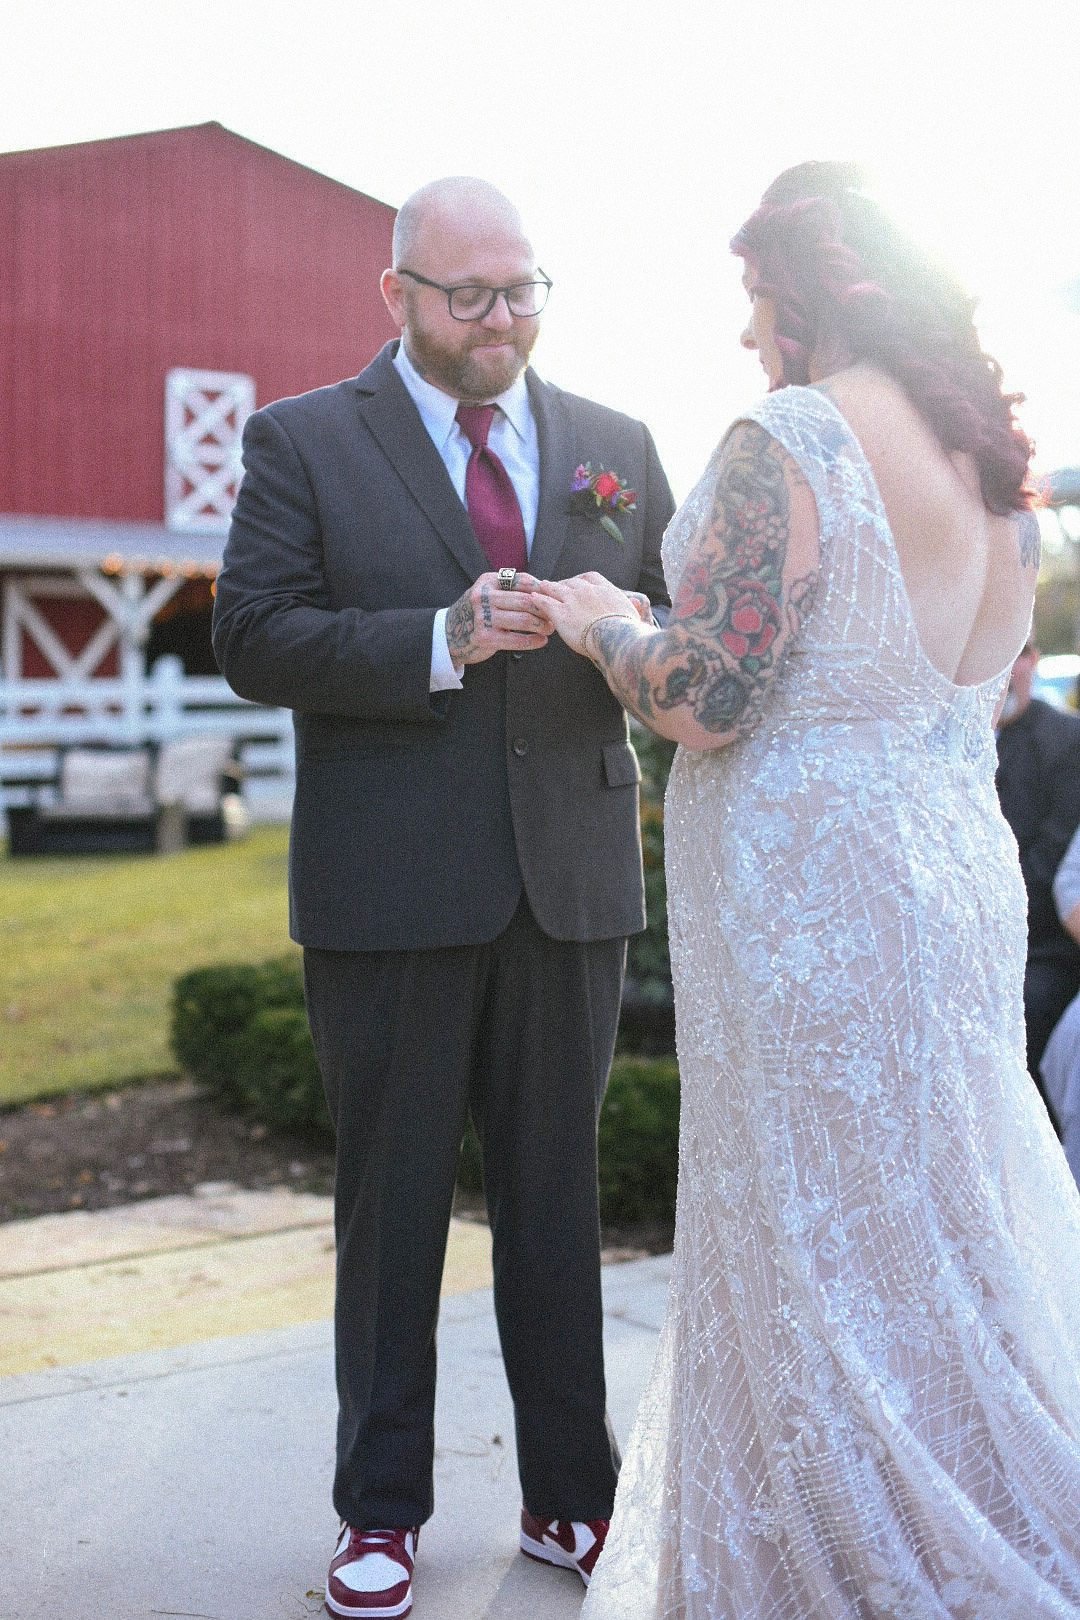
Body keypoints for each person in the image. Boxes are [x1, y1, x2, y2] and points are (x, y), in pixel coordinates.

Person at [537, 162, 1080, 1616]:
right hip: (955, 885)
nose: (745, 335)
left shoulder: (797, 434)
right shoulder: (992, 471)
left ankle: (836, 1560)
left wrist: (603, 623)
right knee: (944, 1220)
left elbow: (708, 694)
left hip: (819, 911)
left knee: (816, 1236)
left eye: (754, 298)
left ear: (807, 287)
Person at [211, 176, 674, 1619]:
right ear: (396, 294)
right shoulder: (301, 441)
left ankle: (571, 1497)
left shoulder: (616, 442)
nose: (501, 320)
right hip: (387, 889)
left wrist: (623, 635)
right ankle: (380, 1512)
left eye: (524, 289)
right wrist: (436, 635)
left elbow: (670, 631)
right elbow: (253, 635)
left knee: (553, 1204)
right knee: (392, 1208)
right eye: (469, 294)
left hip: (572, 882)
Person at [996, 638, 1080, 1083]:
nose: (1007, 669)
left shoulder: (1067, 742)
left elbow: (1055, 860)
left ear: (1032, 661)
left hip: (1042, 948)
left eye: (1019, 655)